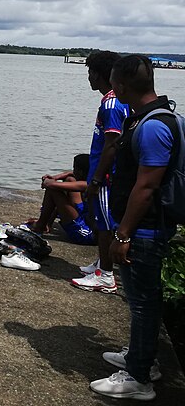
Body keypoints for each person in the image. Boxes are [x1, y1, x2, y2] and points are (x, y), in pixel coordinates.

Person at [89, 55, 178, 401]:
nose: (112, 89)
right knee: (142, 301)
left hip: (144, 230)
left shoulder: (153, 126)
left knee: (142, 304)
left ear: (122, 86)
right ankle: (144, 358)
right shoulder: (158, 117)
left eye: (114, 83)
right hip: (145, 227)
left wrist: (123, 234)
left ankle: (139, 377)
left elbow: (146, 186)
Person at [70, 50, 129, 293]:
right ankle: (101, 264)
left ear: (100, 74)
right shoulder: (113, 100)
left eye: (90, 72)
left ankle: (105, 275)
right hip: (104, 173)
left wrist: (96, 178)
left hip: (106, 176)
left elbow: (112, 144)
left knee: (104, 223)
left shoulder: (112, 104)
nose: (88, 78)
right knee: (101, 219)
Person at [30, 154, 95, 245]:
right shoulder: (94, 179)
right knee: (69, 180)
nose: (73, 171)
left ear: (80, 172)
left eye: (74, 168)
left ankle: (40, 226)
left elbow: (50, 185)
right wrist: (57, 177)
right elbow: (70, 175)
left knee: (53, 190)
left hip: (86, 233)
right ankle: (47, 223)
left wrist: (48, 181)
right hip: (86, 216)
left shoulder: (88, 185)